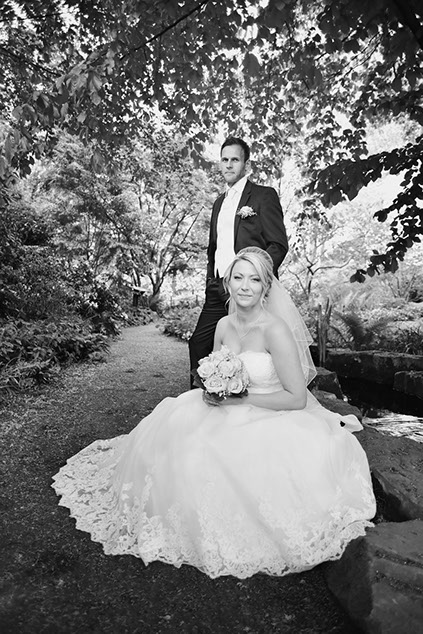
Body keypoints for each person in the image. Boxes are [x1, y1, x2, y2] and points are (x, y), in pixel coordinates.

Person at [52, 247, 376, 579]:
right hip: (224, 405)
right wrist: (215, 388)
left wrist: (240, 402)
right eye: (238, 277)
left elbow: (296, 398)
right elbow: (218, 369)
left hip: (271, 412)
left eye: (254, 279)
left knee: (226, 458)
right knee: (173, 444)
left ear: (266, 286)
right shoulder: (222, 325)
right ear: (228, 283)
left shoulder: (275, 330)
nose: (245, 286)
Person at [189, 137, 289, 385]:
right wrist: (210, 280)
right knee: (199, 344)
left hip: (247, 288)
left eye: (235, 159)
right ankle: (206, 397)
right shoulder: (218, 203)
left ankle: (242, 398)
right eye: (224, 159)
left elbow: (277, 245)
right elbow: (214, 248)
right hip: (217, 287)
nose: (229, 164)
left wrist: (254, 277)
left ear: (246, 164)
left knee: (248, 349)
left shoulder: (263, 196)